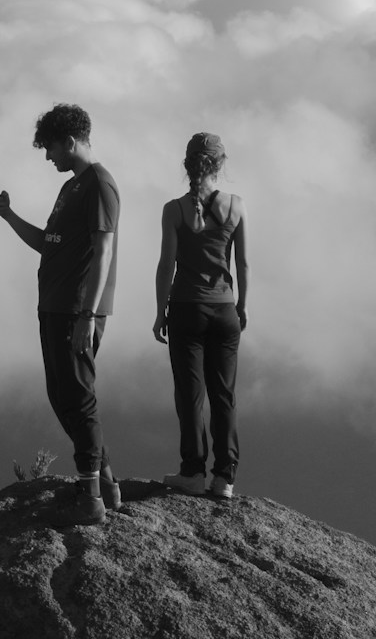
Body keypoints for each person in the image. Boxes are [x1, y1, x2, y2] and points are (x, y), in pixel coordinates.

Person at [0, 103, 123, 526]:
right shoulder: (71, 188)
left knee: (79, 396)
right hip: (54, 306)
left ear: (70, 141)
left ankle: (92, 496)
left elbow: (104, 251)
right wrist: (8, 215)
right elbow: (50, 243)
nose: (48, 158)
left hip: (76, 310)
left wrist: (87, 314)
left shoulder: (99, 184)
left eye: (50, 148)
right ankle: (104, 478)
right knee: (61, 395)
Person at [152, 131, 247, 500]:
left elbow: (166, 267)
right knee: (224, 395)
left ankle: (193, 472)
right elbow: (243, 263)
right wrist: (243, 304)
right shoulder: (236, 205)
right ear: (220, 164)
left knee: (191, 395)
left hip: (186, 310)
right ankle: (224, 478)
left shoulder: (174, 209)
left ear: (187, 164)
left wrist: (160, 311)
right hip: (225, 310)